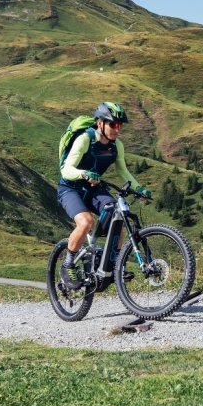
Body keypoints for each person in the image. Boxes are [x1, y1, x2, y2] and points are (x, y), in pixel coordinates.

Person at [57, 101, 151, 288]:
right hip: (70, 188)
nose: (117, 129)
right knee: (85, 222)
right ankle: (68, 264)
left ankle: (115, 264)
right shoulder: (85, 139)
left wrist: (139, 188)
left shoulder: (117, 146)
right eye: (113, 125)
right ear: (100, 123)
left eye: (120, 125)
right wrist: (83, 173)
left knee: (118, 215)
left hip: (94, 189)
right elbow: (66, 169)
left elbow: (124, 172)